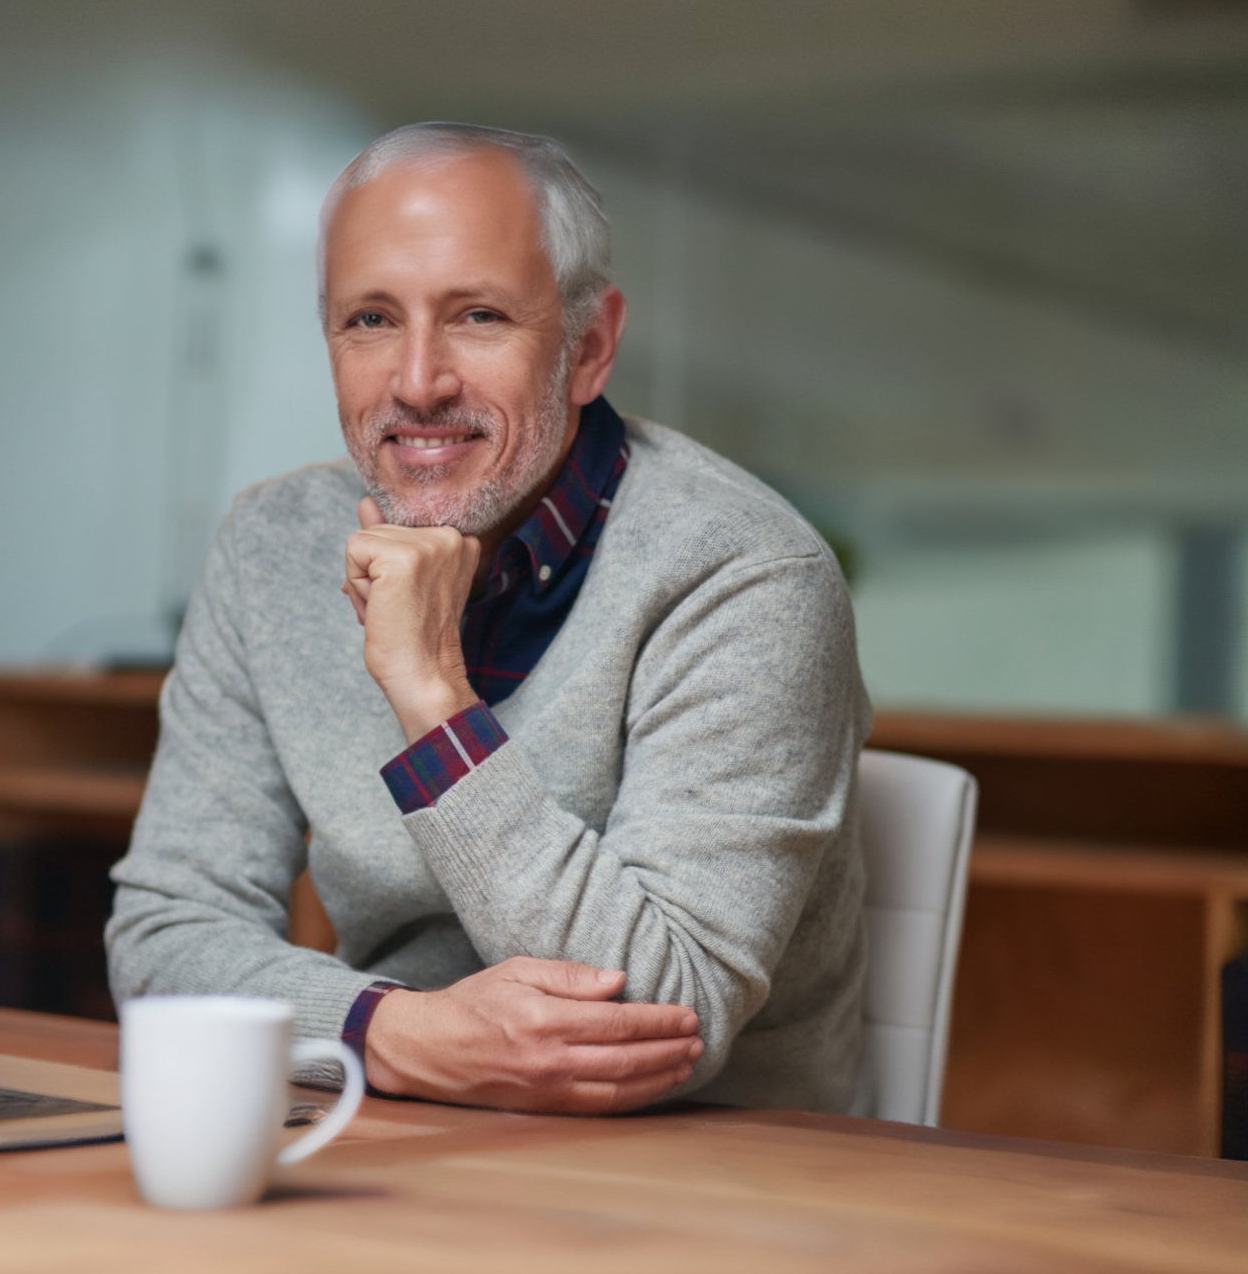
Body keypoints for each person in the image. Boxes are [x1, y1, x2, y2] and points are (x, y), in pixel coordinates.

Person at [107, 123, 871, 1115]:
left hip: (713, 1188)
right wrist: (388, 1031)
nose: (418, 382)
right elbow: (163, 936)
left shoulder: (746, 574)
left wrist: (434, 699)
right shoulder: (270, 546)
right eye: (371, 320)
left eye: (476, 315)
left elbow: (660, 1017)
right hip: (387, 1138)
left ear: (589, 347)